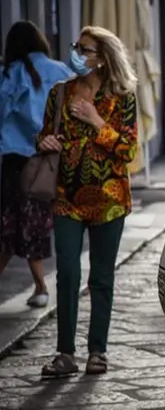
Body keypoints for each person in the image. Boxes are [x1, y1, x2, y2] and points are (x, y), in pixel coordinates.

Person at [37, 26, 139, 377]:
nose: (77, 53)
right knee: (66, 273)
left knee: (101, 276)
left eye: (86, 49)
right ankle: (65, 352)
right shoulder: (60, 92)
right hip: (66, 196)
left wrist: (97, 121)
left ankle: (98, 350)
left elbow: (128, 150)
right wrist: (46, 143)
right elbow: (45, 135)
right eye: (76, 47)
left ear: (103, 56)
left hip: (109, 199)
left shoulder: (122, 95)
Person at [0, 21, 73, 309]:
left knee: (8, 225)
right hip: (52, 160)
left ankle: (41, 286)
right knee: (34, 225)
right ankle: (41, 286)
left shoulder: (10, 74)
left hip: (17, 160)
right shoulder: (61, 70)